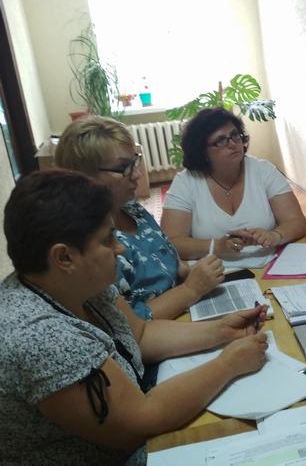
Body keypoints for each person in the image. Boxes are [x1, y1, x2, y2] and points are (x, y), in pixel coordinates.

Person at [0, 170, 268, 465]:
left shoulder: (76, 281)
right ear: (64, 257)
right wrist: (228, 364)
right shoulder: (42, 338)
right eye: (107, 240)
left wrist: (222, 331)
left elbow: (139, 334)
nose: (120, 248)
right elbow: (141, 420)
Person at [55, 116, 224, 320]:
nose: (137, 175)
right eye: (124, 167)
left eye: (135, 162)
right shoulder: (93, 244)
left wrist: (190, 272)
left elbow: (168, 258)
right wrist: (191, 289)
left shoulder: (131, 209)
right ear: (85, 177)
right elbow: (128, 324)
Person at [161, 107, 306, 259]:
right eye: (220, 141)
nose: (232, 144)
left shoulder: (264, 171)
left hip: (268, 265)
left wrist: (275, 235)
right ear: (202, 151)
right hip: (212, 269)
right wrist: (215, 247)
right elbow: (170, 243)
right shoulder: (186, 182)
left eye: (235, 135)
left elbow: (297, 222)